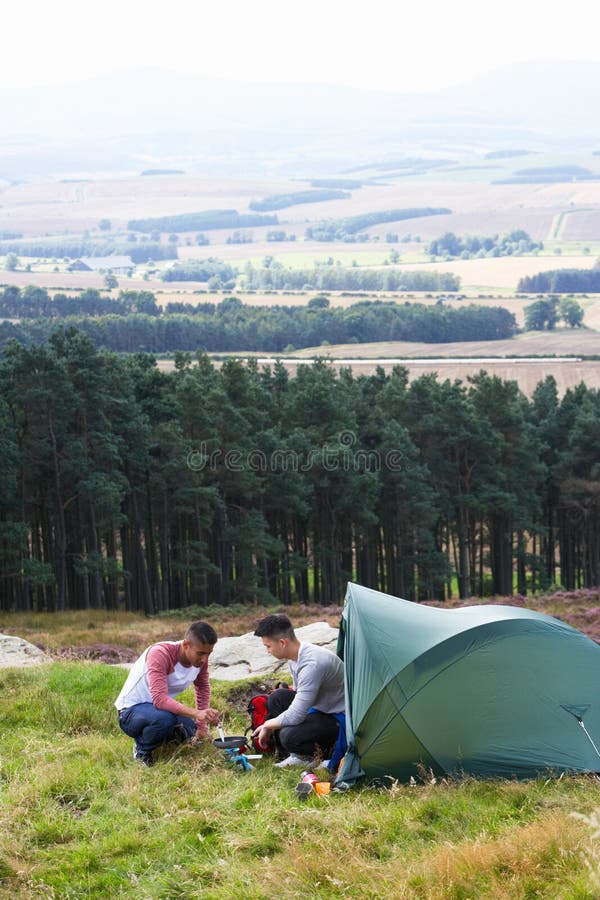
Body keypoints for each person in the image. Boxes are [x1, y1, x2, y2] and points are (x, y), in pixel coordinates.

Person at [115, 620, 221, 766]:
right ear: (185, 645)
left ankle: (161, 743)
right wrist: (196, 713)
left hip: (157, 710)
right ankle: (142, 750)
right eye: (201, 653)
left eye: (209, 653)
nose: (204, 659)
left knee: (188, 730)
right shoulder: (160, 653)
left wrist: (202, 726)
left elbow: (202, 687)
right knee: (164, 720)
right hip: (130, 712)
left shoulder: (201, 660)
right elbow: (159, 699)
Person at [251, 613, 345, 768]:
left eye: (268, 646)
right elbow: (299, 696)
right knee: (277, 697)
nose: (267, 651)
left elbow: (296, 715)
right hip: (320, 708)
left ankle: (317, 755)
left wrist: (268, 724)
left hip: (338, 717)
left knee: (288, 735)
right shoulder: (295, 656)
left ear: (282, 642)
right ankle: (292, 755)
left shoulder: (312, 663)